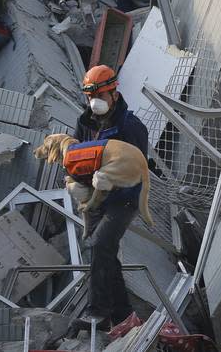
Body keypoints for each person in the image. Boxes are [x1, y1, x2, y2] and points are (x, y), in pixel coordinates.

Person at [74, 65, 150, 330]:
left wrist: (113, 181)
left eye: (100, 96)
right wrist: (76, 182)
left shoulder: (130, 126)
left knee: (99, 244)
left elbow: (138, 168)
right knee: (106, 255)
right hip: (96, 200)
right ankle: (124, 315)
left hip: (124, 200)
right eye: (89, 97)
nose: (94, 103)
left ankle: (97, 312)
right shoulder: (84, 123)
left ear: (114, 94)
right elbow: (76, 158)